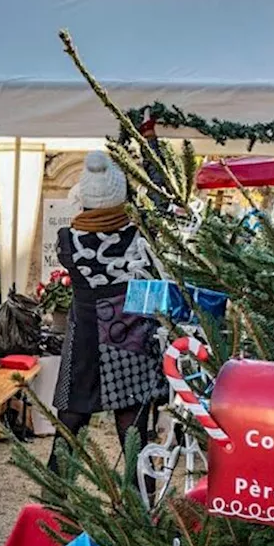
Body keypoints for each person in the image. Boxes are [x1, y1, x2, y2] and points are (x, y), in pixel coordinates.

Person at [51, 151, 166, 472]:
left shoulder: (67, 241)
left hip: (84, 339)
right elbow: (158, 201)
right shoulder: (140, 235)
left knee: (70, 423)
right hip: (130, 338)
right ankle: (140, 511)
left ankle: (55, 506)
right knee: (133, 433)